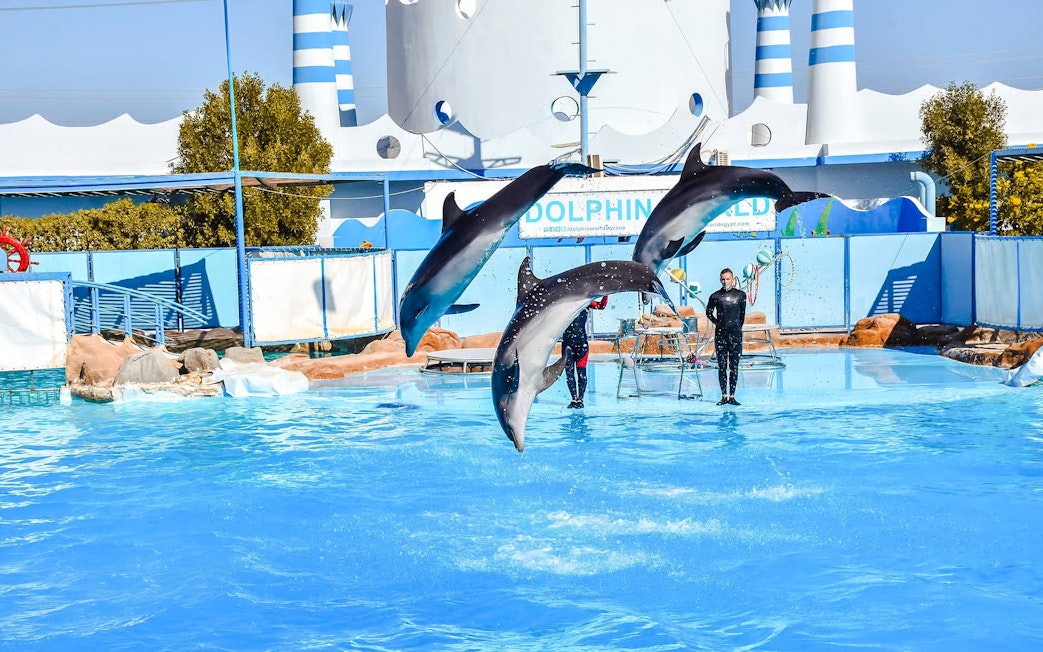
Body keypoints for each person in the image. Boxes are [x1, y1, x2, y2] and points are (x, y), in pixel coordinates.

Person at [705, 268, 746, 406]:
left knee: (734, 366)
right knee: (722, 365)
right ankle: (723, 396)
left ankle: (732, 396)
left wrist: (736, 328)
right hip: (721, 335)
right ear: (720, 279)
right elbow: (709, 313)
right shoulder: (715, 296)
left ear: (732, 279)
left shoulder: (741, 295)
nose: (725, 282)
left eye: (728, 279)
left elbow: (742, 316)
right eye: (723, 279)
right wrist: (718, 323)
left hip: (735, 335)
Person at [562, 295, 608, 408]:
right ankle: (574, 399)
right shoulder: (563, 305)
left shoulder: (586, 303)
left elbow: (601, 306)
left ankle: (580, 399)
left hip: (581, 344)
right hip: (567, 344)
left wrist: (606, 294)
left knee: (582, 373)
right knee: (569, 373)